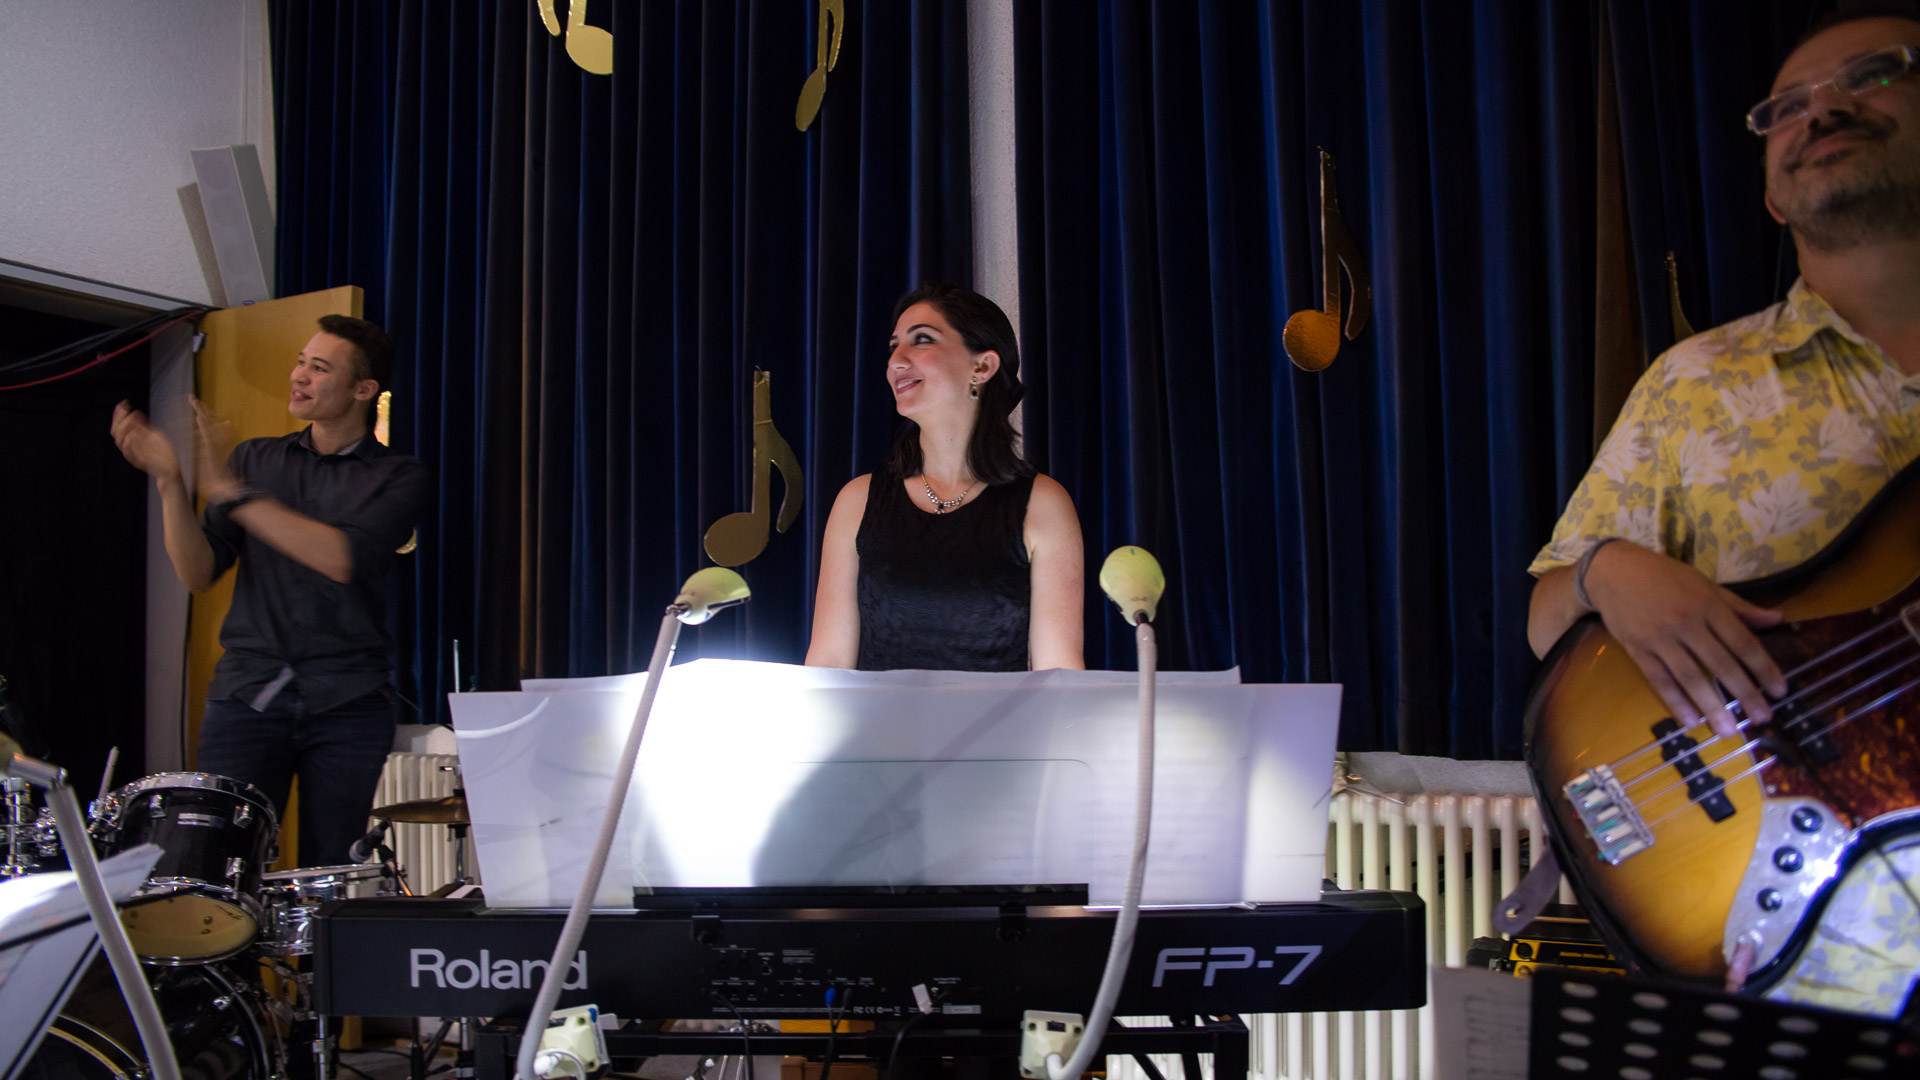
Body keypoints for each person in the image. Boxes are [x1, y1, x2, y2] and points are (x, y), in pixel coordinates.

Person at [1527, 10, 1920, 1015]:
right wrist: (1608, 571)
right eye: (1785, 107)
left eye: (1873, 75)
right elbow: (1547, 619)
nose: (1821, 110)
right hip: (1821, 937)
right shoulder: (1695, 383)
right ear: (1771, 194)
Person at [110, 314, 430, 867]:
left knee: (332, 869)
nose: (298, 376)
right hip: (247, 693)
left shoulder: (399, 475)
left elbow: (339, 557)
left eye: (319, 368)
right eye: (301, 362)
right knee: (220, 865)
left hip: (348, 701)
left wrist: (229, 491)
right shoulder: (256, 459)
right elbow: (198, 573)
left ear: (363, 390)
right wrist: (169, 481)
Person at [806, 284, 1085, 671]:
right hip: (879, 714)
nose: (896, 361)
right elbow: (828, 663)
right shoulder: (857, 500)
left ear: (981, 367)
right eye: (893, 347)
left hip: (999, 715)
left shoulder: (1043, 504)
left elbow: (1059, 674)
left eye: (921, 340)